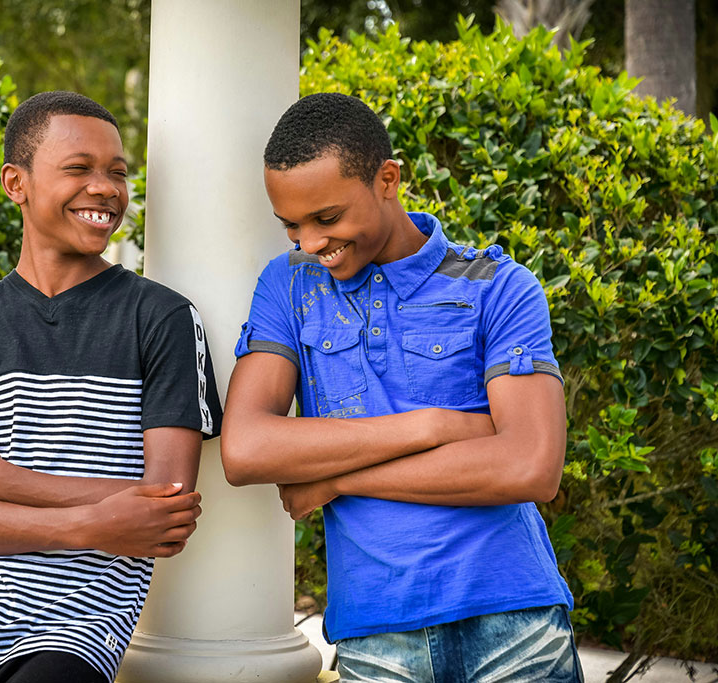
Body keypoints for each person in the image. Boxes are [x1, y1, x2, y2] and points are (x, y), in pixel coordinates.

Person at [221, 92, 581, 682]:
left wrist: (336, 477)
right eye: (292, 226)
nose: (310, 243)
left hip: (515, 621)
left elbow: (529, 468)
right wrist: (432, 426)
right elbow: (246, 449)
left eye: (328, 218)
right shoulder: (290, 286)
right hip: (376, 632)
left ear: (387, 179)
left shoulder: (499, 286)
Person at [0, 91, 223, 683]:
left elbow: (164, 511)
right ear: (15, 183)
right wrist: (89, 524)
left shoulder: (161, 318)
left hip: (72, 636)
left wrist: (5, 482)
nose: (105, 188)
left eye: (117, 172)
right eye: (79, 168)